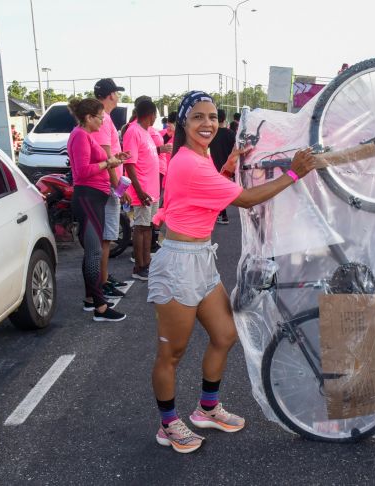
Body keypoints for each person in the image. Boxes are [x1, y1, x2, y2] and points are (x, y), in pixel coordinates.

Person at [148, 91, 316, 453]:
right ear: (183, 122)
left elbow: (205, 187)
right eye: (198, 117)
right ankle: (168, 424)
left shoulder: (199, 156)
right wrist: (294, 173)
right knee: (171, 354)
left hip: (201, 258)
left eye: (213, 117)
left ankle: (207, 409)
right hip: (177, 263)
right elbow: (245, 198)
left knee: (224, 335)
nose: (208, 123)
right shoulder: (189, 163)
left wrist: (227, 165)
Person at [66, 98, 128, 321]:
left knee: (93, 252)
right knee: (93, 253)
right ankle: (100, 308)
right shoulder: (81, 136)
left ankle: (92, 299)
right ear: (88, 117)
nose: (103, 121)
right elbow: (82, 172)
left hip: (94, 198)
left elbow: (95, 163)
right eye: (100, 117)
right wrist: (107, 164)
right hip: (88, 198)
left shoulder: (84, 135)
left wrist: (113, 159)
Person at [91, 78, 131, 293]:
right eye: (116, 93)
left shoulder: (103, 118)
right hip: (107, 185)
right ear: (110, 95)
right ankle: (101, 283)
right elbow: (106, 157)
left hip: (107, 183)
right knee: (106, 237)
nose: (118, 97)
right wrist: (119, 189)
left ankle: (104, 278)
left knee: (106, 237)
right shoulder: (103, 119)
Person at [123, 99, 161, 281]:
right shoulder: (133, 131)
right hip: (143, 190)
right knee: (141, 227)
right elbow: (130, 165)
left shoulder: (145, 132)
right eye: (155, 114)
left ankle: (146, 263)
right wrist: (138, 191)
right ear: (151, 114)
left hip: (152, 190)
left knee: (148, 228)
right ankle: (139, 266)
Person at [209, 108, 236, 225]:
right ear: (224, 119)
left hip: (215, 167)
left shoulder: (212, 134)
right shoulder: (231, 133)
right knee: (225, 191)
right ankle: (222, 214)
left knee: (218, 192)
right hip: (230, 167)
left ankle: (222, 215)